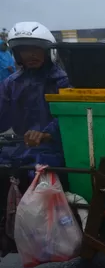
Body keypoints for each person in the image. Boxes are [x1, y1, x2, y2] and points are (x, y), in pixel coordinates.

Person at [0, 22, 69, 167]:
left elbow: (69, 117)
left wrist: (46, 133)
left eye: (35, 49)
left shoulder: (63, 81)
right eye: (23, 50)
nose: (30, 55)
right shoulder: (11, 83)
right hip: (20, 147)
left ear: (48, 51)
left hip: (56, 147)